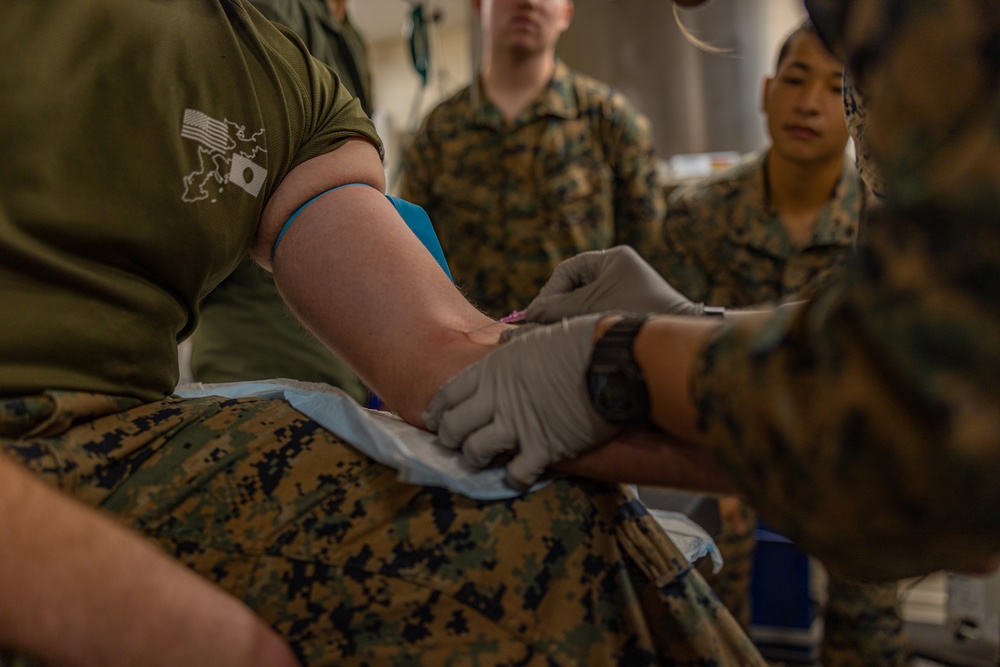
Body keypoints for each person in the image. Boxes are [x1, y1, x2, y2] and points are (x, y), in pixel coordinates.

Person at [0, 1, 763, 665]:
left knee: (554, 526)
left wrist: (653, 356)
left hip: (120, 440)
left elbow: (446, 354)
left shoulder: (281, 80)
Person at [424, 0, 1000, 586]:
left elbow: (936, 435)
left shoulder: (933, 22)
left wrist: (629, 360)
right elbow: (910, 329)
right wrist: (696, 324)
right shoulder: (878, 43)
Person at [660, 21, 903, 666]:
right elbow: (675, 349)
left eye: (834, 87)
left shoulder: (886, 225)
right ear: (766, 92)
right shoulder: (697, 217)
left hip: (853, 459)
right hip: (725, 458)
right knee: (702, 616)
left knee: (870, 614)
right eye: (795, 80)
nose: (811, 103)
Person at [399, 0, 665, 318]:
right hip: (471, 355)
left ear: (566, 12)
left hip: (581, 351)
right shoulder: (437, 133)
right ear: (478, 5)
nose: (528, 2)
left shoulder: (610, 122)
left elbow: (647, 262)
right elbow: (410, 257)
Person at [189, 0, 374, 402]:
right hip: (261, 335)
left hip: (341, 334)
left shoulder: (346, 35)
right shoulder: (271, 9)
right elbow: (249, 157)